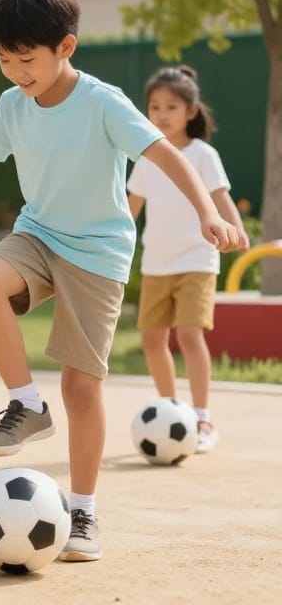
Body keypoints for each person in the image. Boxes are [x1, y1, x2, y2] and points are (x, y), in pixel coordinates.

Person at [0, 0, 242, 562]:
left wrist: (207, 212)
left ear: (66, 48)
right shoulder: (11, 105)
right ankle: (26, 403)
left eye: (26, 59)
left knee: (82, 387)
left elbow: (165, 154)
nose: (15, 72)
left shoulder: (102, 102)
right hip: (39, 234)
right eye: (4, 60)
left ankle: (83, 512)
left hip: (98, 253)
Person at [127, 65, 249, 454]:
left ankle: (202, 416)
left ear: (191, 111)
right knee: (151, 339)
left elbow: (220, 196)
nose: (161, 114)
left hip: (197, 259)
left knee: (190, 334)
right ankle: (172, 409)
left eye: (171, 106)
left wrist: (236, 226)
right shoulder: (147, 158)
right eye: (154, 106)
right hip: (156, 264)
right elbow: (130, 208)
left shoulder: (202, 154)